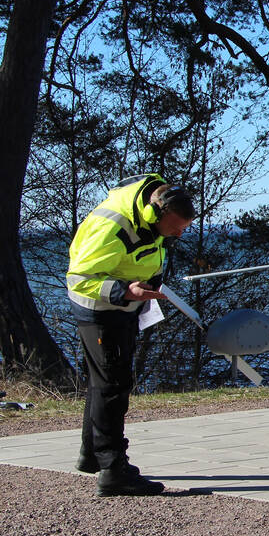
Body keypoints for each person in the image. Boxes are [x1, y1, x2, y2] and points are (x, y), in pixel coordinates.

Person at [67, 173, 195, 496]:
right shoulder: (113, 227)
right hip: (99, 311)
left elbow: (140, 256)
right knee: (113, 385)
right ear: (157, 213)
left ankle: (92, 456)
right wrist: (125, 290)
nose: (180, 234)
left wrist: (144, 287)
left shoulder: (149, 221)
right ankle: (113, 470)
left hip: (123, 309)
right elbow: (79, 279)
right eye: (177, 227)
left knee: (104, 381)